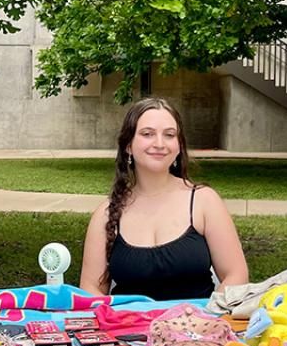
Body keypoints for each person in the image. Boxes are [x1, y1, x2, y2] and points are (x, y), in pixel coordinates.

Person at [80, 97, 248, 298]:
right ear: (128, 145)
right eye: (147, 134)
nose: (159, 144)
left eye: (169, 135)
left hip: (198, 318)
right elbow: (90, 289)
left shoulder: (204, 202)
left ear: (179, 146)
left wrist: (206, 313)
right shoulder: (106, 215)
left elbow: (236, 275)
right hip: (127, 319)